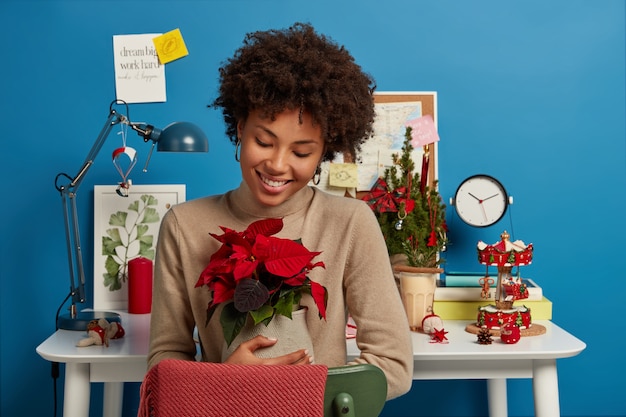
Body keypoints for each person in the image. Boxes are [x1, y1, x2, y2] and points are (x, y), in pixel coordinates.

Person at [147, 22, 413, 399]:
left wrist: (289, 393)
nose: (277, 164)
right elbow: (163, 362)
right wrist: (226, 385)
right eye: (263, 141)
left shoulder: (351, 222)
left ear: (325, 152)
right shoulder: (184, 225)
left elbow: (394, 366)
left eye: (302, 152)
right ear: (239, 129)